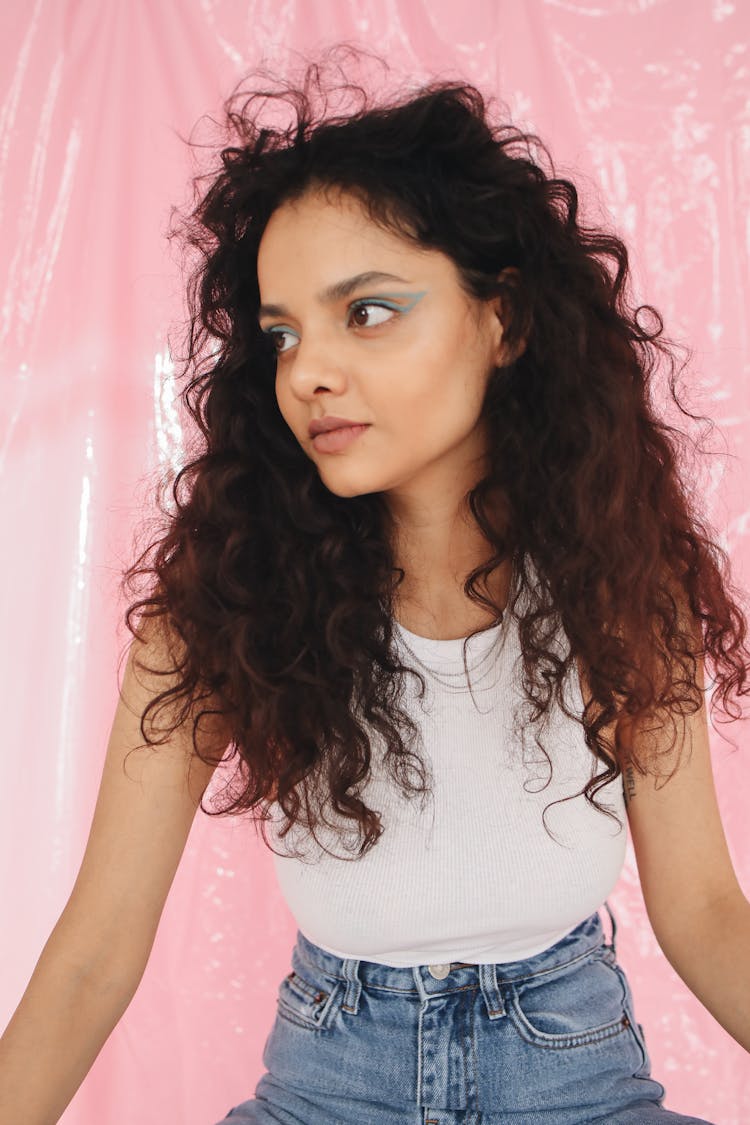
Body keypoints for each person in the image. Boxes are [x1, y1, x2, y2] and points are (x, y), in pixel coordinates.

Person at [1, 46, 748, 1125]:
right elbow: (94, 955)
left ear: (506, 321)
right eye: (282, 334)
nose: (307, 370)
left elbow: (711, 917)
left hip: (577, 1084)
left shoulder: (620, 587)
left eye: (368, 312)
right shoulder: (224, 606)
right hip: (325, 1093)